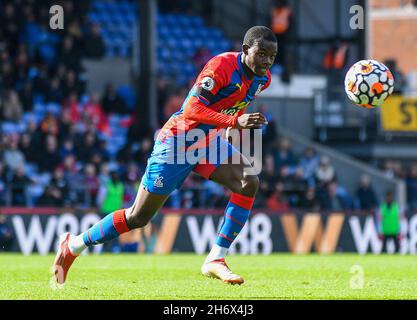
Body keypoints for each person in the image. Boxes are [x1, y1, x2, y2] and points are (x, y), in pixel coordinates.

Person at [53, 26, 277, 285]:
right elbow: (192, 108)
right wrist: (234, 122)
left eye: (272, 56)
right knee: (138, 217)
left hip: (209, 141)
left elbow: (237, 99)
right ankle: (74, 245)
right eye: (262, 53)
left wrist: (227, 128)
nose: (267, 61)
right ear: (246, 49)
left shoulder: (264, 78)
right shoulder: (221, 66)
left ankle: (216, 258)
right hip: (179, 141)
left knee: (249, 181)